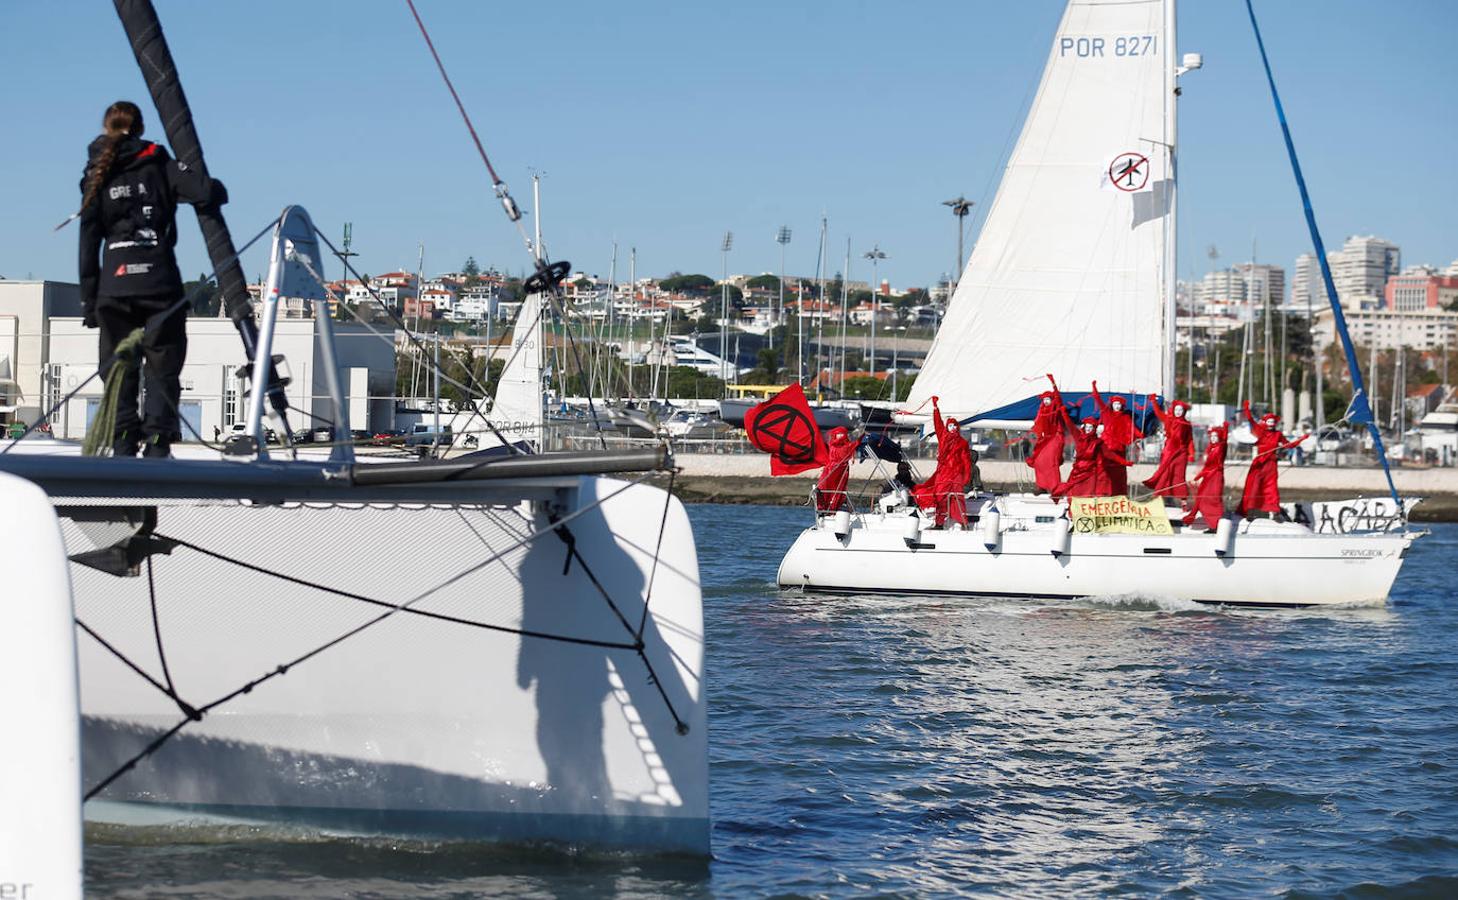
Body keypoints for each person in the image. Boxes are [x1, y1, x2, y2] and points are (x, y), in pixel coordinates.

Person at [78, 100, 227, 458]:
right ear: (141, 127)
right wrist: (202, 177)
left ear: (106, 128)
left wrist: (90, 300)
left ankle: (122, 440)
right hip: (160, 284)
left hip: (114, 286)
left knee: (118, 367)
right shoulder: (160, 163)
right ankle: (158, 441)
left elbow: (87, 239)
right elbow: (208, 192)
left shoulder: (97, 171)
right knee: (163, 364)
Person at [1239, 401, 1309, 519]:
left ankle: (1274, 511)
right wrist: (1246, 409)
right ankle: (1249, 511)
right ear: (1265, 422)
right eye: (1269, 421)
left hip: (1271, 464)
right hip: (1259, 463)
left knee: (1271, 488)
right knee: (1254, 486)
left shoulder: (1278, 434)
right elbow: (1251, 421)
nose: (1271, 424)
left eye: (1273, 421)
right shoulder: (1260, 431)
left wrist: (1301, 439)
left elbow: (1288, 445)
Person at [918, 396, 972, 528]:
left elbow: (966, 460)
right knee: (940, 497)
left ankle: (962, 522)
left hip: (956, 474)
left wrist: (966, 476)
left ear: (957, 427)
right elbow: (938, 423)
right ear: (947, 426)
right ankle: (939, 522)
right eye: (950, 425)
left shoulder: (962, 442)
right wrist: (936, 408)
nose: (952, 428)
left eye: (954, 425)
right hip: (943, 473)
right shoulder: (942, 436)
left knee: (958, 498)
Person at [1090, 380, 1143, 496]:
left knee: (1118, 472)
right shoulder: (1106, 413)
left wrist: (1140, 435)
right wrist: (1094, 387)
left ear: (1122, 406)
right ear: (1112, 405)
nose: (1117, 406)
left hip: (1119, 448)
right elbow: (1097, 399)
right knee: (1103, 471)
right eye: (1115, 404)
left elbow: (1132, 428)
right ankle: (1100, 494)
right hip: (1106, 448)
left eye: (1119, 404)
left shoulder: (1125, 417)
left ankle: (1119, 495)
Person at [1142, 395, 1194, 501]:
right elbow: (1158, 413)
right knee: (1164, 474)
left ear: (1184, 411)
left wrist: (1191, 454)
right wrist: (1153, 402)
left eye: (1181, 410)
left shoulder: (1187, 424)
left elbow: (1190, 440)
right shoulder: (1168, 419)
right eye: (1176, 409)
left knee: (1179, 476)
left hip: (1181, 453)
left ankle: (1183, 501)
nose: (1178, 412)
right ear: (1173, 410)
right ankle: (1156, 498)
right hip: (1169, 451)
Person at [1182, 423, 1228, 531]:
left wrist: (1225, 429)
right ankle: (1212, 524)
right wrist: (1197, 477)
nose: (1213, 438)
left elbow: (1225, 442)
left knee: (1213, 500)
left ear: (1219, 437)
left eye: (1215, 436)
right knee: (1201, 498)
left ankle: (1216, 524)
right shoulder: (1210, 449)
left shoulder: (1221, 447)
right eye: (1211, 436)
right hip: (1208, 478)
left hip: (1216, 478)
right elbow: (1207, 467)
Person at [1026, 376, 1067, 494]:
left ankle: (1055, 487)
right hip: (1045, 439)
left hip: (1055, 437)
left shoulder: (1055, 408)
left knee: (1051, 462)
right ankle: (1041, 486)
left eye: (1048, 399)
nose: (1046, 401)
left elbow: (1058, 399)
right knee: (1039, 461)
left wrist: (1053, 382)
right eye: (1044, 399)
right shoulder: (1042, 411)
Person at [814, 426, 857, 512]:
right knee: (825, 486)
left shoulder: (848, 445)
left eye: (842, 433)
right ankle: (823, 506)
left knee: (838, 487)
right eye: (839, 434)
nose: (841, 435)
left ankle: (834, 506)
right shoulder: (831, 444)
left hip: (841, 468)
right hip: (830, 468)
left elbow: (855, 444)